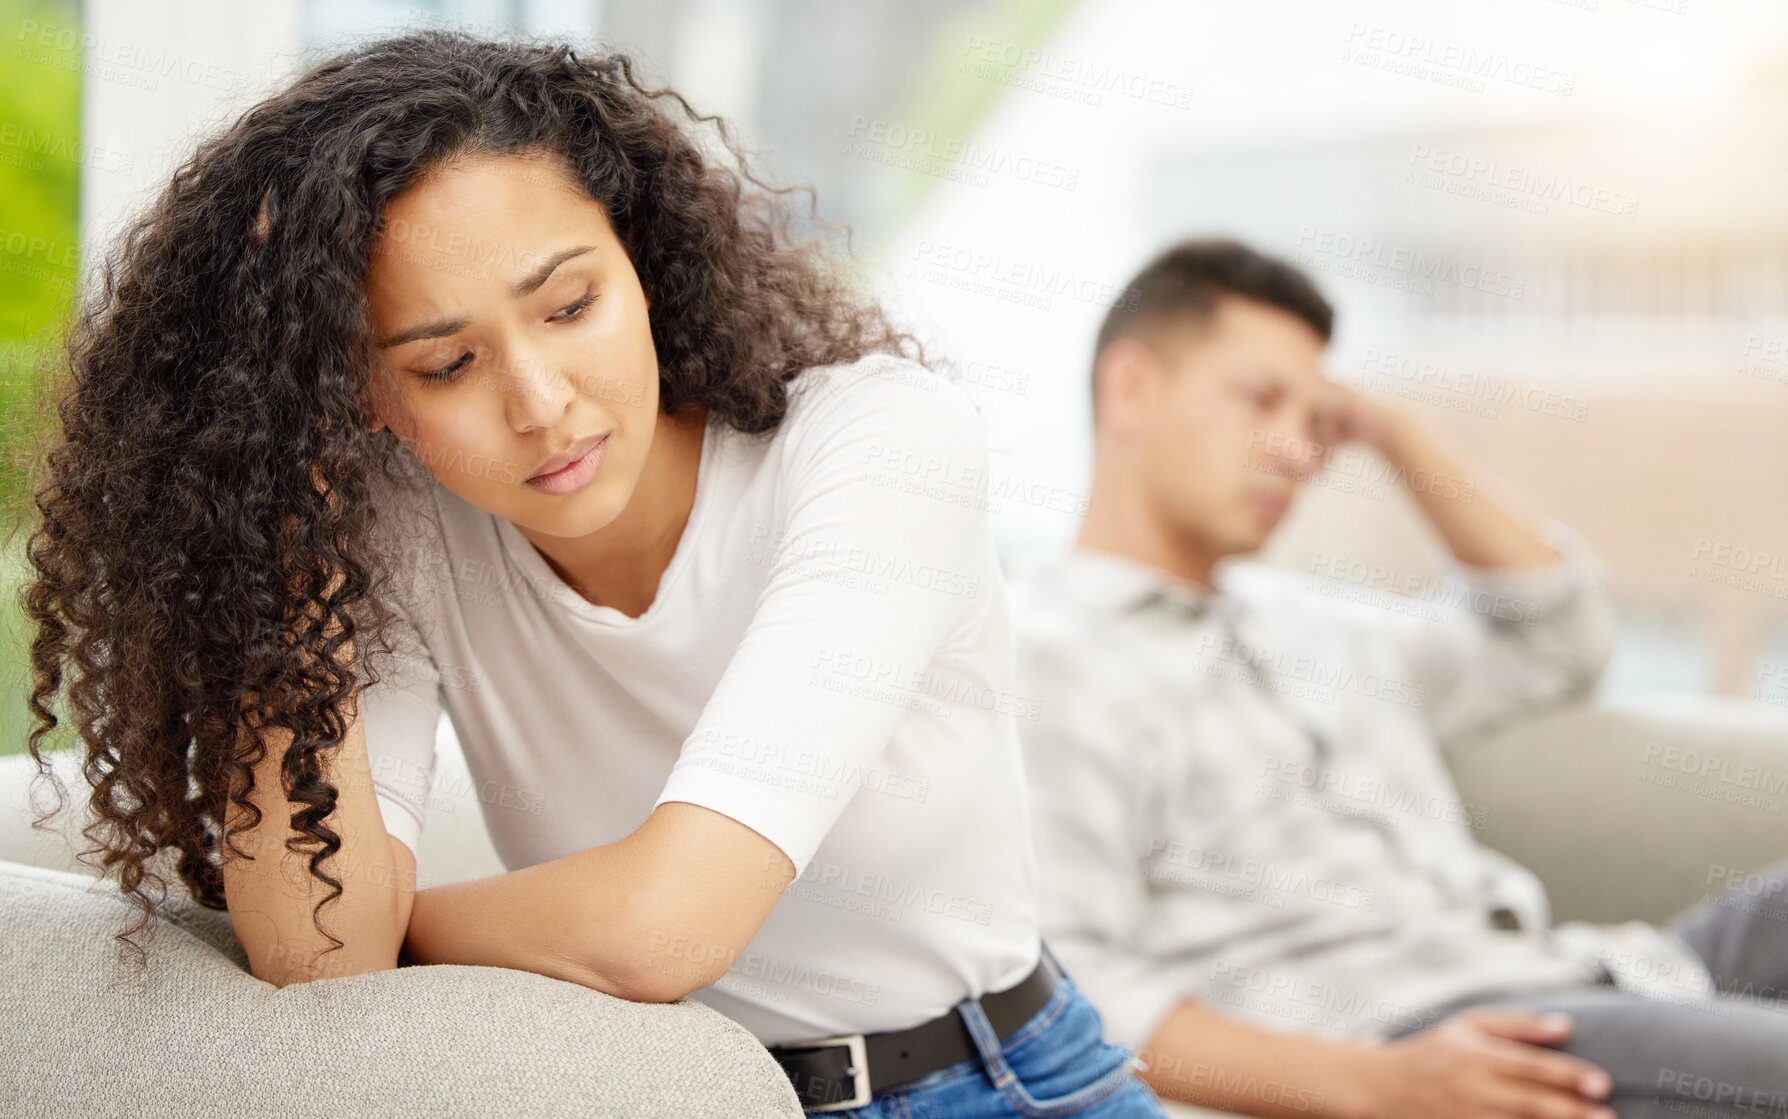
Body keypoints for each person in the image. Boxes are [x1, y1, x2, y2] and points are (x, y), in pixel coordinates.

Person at [22, 30, 1166, 1118]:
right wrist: (289, 504)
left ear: (646, 262)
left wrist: (399, 925)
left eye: (571, 306)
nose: (541, 403)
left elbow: (665, 931)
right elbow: (315, 949)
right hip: (657, 1093)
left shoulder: (877, 446)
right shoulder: (404, 527)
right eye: (446, 362)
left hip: (992, 1082)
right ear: (363, 393)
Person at [1008, 239, 1788, 1118]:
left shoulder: (1324, 625)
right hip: (1445, 1041)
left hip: (1597, 970)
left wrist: (1392, 432)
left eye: (1317, 420)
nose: (1299, 450)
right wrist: (1383, 1086)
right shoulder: (1045, 657)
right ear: (1131, 389)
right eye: (1262, 399)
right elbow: (1072, 994)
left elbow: (1563, 637)